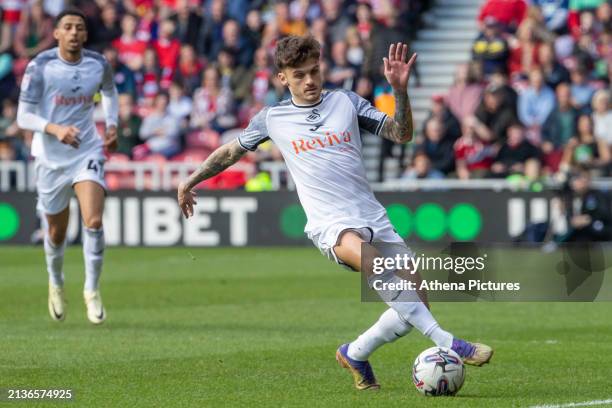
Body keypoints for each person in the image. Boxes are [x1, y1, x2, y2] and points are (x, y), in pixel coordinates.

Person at [177, 36, 492, 391]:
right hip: (331, 224)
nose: (310, 80)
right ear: (283, 78)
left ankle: (355, 352)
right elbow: (229, 153)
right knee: (373, 263)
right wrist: (191, 180)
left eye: (315, 71)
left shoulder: (346, 102)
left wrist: (400, 92)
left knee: (413, 307)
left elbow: (401, 134)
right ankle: (448, 343)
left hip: (373, 216)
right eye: (300, 75)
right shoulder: (273, 118)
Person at [16, 9, 118, 324]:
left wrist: (111, 125)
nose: (74, 32)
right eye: (68, 27)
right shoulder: (40, 67)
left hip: (86, 149)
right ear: (57, 33)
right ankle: (56, 282)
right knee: (57, 232)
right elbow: (24, 117)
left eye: (79, 28)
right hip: (50, 156)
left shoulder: (97, 64)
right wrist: (55, 129)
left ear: (85, 35)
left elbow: (111, 93)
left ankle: (91, 289)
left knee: (94, 220)